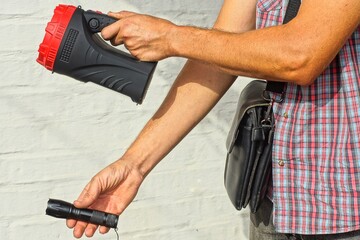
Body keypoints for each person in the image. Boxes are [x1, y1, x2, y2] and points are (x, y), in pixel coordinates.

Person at [66, 0, 360, 239]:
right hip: (277, 203)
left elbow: (299, 56)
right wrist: (133, 165)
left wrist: (170, 37)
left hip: (347, 211)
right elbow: (216, 61)